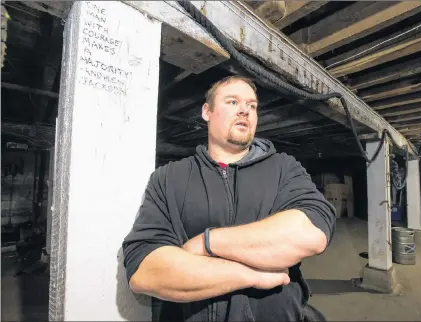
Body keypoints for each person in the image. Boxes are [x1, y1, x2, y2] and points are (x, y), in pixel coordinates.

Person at [122, 75, 337, 321]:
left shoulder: (284, 168)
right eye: (232, 102)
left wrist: (206, 243)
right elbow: (144, 270)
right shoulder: (168, 177)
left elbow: (311, 235)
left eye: (252, 105)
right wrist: (254, 276)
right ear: (207, 112)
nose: (244, 110)